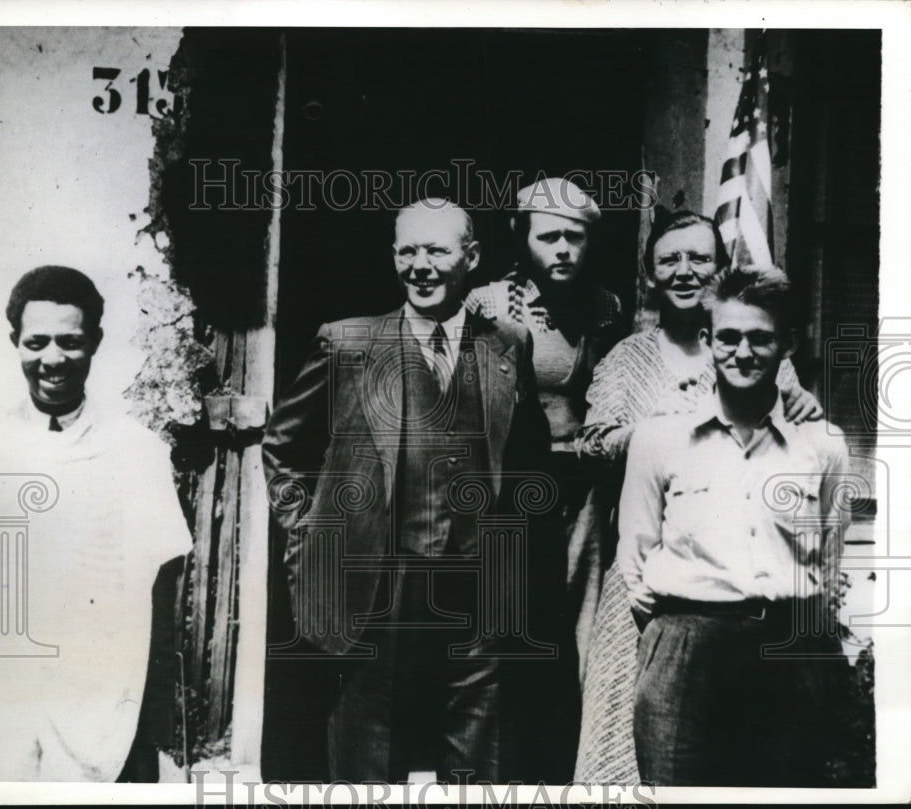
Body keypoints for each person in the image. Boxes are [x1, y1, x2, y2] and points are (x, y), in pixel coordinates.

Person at [263, 199, 551, 782]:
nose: (420, 266)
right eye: (407, 251)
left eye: (437, 250)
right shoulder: (346, 344)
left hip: (478, 584)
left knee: (478, 751)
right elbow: (283, 448)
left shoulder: (508, 345)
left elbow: (527, 461)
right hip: (376, 580)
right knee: (369, 750)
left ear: (470, 258)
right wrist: (309, 539)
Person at [574, 209, 822, 782]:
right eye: (669, 260)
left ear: (720, 267)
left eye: (699, 257)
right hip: (649, 573)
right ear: (651, 273)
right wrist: (665, 425)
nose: (684, 270)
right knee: (630, 737)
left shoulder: (753, 346)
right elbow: (594, 444)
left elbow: (798, 441)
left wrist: (801, 410)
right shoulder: (628, 358)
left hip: (739, 586)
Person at [0, 266, 193, 781]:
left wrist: (154, 730)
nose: (52, 359)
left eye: (70, 342)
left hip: (99, 710)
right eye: (36, 342)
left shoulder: (137, 451)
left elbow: (162, 598)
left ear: (95, 343)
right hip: (2, 704)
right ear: (15, 342)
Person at [617, 265, 849, 786]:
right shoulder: (659, 438)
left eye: (761, 338)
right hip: (685, 648)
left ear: (787, 343)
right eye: (728, 337)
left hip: (791, 649)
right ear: (707, 340)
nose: (743, 352)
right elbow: (634, 557)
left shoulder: (824, 444)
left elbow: (830, 560)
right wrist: (676, 636)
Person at [465, 177, 622, 779]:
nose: (563, 250)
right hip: (510, 494)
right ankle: (498, 770)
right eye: (549, 235)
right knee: (508, 624)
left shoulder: (603, 309)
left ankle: (577, 769)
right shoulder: (486, 303)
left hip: (582, 491)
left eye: (575, 238)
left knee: (580, 623)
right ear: (522, 237)